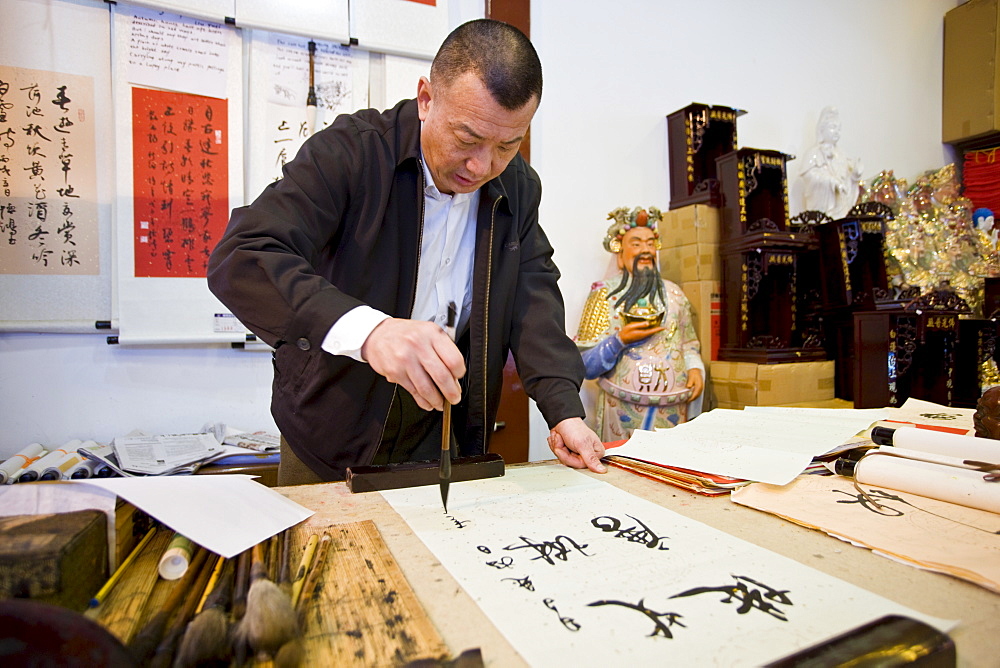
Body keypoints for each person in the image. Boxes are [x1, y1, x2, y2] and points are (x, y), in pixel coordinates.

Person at [207, 19, 606, 484]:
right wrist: (372, 332)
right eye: (467, 139)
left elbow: (532, 290)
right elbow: (243, 254)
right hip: (332, 421)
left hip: (439, 426)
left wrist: (563, 409)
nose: (482, 166)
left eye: (507, 145)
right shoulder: (352, 153)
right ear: (425, 99)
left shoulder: (516, 186)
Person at [574, 206, 705, 441]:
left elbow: (689, 344)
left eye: (650, 243)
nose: (645, 250)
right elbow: (584, 364)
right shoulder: (602, 295)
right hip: (621, 408)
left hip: (673, 410)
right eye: (636, 243)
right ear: (620, 252)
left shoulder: (675, 294)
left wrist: (695, 368)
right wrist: (620, 340)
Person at [800, 106, 863, 220]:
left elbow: (847, 180)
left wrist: (854, 174)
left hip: (841, 209)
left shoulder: (842, 155)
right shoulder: (813, 153)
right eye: (833, 127)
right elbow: (809, 176)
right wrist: (831, 182)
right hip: (824, 208)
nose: (837, 132)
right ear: (822, 129)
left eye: (839, 129)